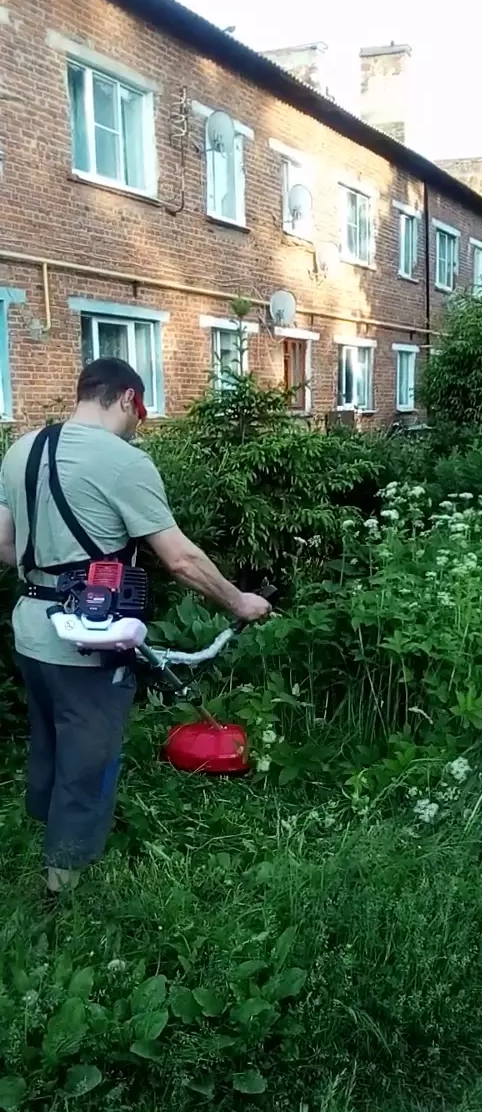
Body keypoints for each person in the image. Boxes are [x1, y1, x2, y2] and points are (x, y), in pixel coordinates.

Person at [0, 357, 270, 895]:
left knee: (51, 740)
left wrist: (54, 571)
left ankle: (48, 832)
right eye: (139, 413)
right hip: (88, 642)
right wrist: (239, 602)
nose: (137, 424)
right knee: (89, 759)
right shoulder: (123, 461)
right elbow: (181, 561)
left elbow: (2, 544)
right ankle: (60, 894)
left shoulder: (20, 449)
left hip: (30, 630)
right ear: (126, 398)